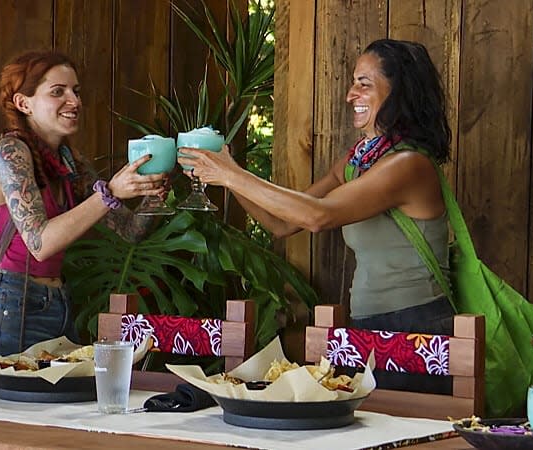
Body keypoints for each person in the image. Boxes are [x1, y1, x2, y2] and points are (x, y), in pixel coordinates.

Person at [178, 39, 453, 393]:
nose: (350, 95)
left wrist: (230, 174)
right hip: (367, 328)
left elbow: (317, 216)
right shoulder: (359, 162)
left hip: (418, 329)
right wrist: (226, 177)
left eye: (364, 84)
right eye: (353, 82)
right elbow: (282, 223)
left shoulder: (408, 165)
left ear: (399, 91)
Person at [0, 50, 166, 356]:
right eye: (57, 92)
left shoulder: (69, 162)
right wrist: (110, 193)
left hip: (59, 302)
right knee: (10, 403)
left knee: (62, 402)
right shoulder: (9, 153)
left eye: (76, 91)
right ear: (24, 103)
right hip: (11, 304)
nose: (74, 102)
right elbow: (40, 243)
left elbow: (130, 230)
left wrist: (153, 192)